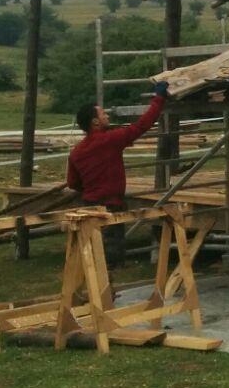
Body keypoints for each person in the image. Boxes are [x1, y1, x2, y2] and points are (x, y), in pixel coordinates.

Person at [66, 81, 169, 267]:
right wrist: (159, 99)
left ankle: (94, 290)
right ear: (95, 121)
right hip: (110, 206)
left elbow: (72, 183)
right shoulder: (109, 140)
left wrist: (93, 187)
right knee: (110, 259)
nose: (107, 115)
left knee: (92, 256)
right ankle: (105, 293)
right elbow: (141, 126)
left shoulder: (76, 152)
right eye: (103, 113)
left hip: (89, 206)